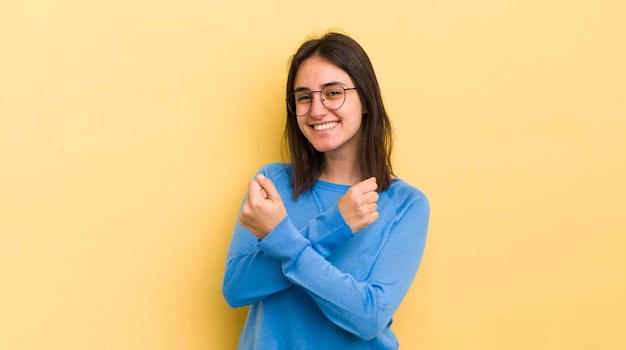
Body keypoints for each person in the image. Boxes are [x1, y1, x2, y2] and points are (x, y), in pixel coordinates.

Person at [222, 31, 430, 349]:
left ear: (366, 100)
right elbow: (236, 289)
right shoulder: (271, 184)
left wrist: (281, 238)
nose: (317, 110)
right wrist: (332, 228)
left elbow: (368, 318)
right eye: (304, 97)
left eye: (333, 93)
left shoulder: (405, 204)